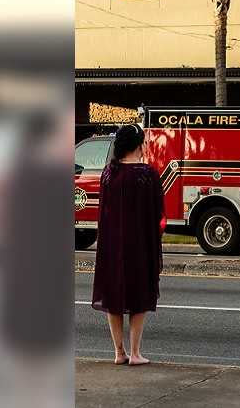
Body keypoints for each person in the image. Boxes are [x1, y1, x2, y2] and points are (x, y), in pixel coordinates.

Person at [92, 124, 165, 366]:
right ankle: (135, 352)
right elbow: (159, 217)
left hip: (112, 245)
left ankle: (118, 352)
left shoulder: (108, 173)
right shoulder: (148, 175)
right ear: (138, 145)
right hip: (140, 245)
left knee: (113, 295)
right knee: (139, 295)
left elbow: (102, 212)